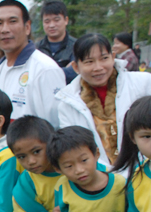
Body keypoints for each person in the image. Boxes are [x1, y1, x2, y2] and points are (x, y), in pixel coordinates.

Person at [57, 33, 151, 170]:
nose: (98, 67)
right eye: (89, 62)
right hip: (101, 181)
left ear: (113, 58)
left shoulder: (143, 83)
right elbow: (75, 148)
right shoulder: (67, 103)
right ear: (76, 67)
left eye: (104, 58)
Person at [0, 0, 66, 128]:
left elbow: (58, 126)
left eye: (12, 21)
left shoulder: (45, 69)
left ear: (27, 27)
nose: (5, 29)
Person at [36, 0, 77, 84]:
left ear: (66, 20)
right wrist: (64, 70)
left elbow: (76, 72)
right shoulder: (36, 49)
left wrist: (43, 74)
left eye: (56, 20)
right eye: (47, 21)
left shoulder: (77, 46)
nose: (52, 25)